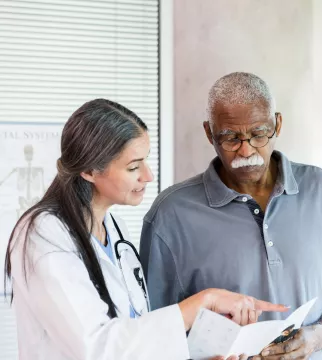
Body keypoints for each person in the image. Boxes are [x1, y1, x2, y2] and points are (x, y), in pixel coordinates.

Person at [3, 99, 288, 360]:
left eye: (146, 160)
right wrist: (203, 302)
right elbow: (97, 348)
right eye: (133, 167)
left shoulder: (116, 230)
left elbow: (136, 333)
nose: (148, 175)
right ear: (89, 171)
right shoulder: (43, 234)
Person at [140, 72, 322, 360]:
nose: (246, 149)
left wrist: (313, 339)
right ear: (209, 133)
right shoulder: (171, 214)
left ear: (277, 124)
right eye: (230, 138)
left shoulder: (321, 190)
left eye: (258, 134)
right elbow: (152, 331)